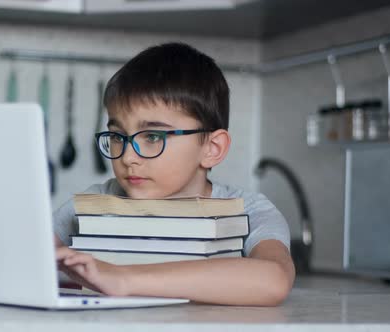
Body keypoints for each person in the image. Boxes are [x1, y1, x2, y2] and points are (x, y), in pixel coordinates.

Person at [53, 42, 294, 306]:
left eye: (154, 136)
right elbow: (30, 253)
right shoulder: (91, 204)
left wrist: (122, 278)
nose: (128, 157)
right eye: (118, 136)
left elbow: (274, 280)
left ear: (212, 148)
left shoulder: (249, 210)